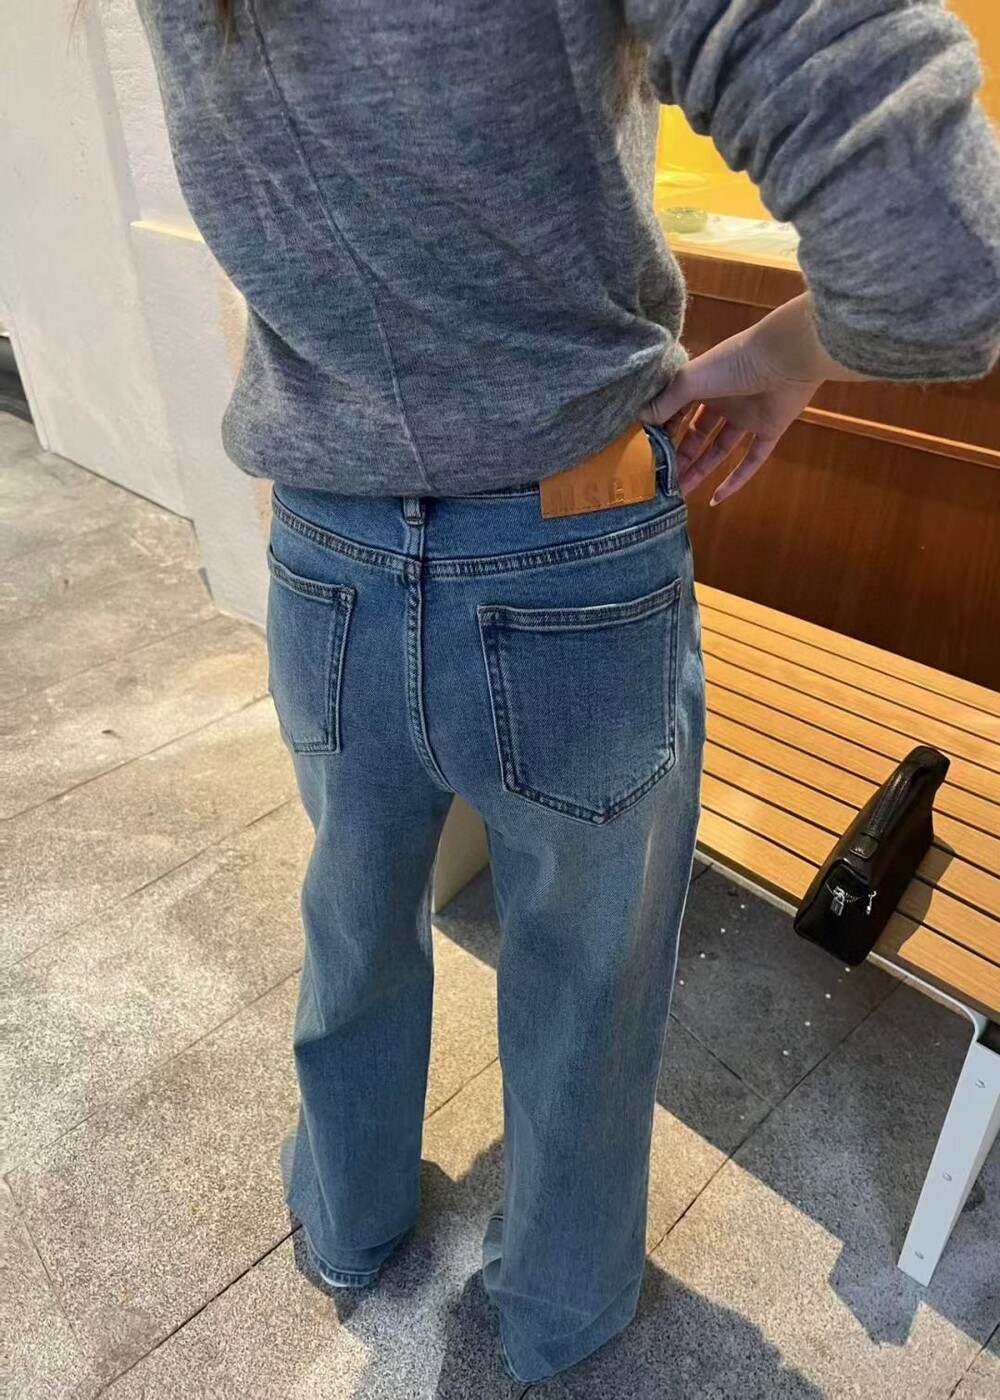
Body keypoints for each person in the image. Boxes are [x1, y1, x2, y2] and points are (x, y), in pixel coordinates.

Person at [136, 0, 1000, 1384]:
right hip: (570, 547)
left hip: (325, 544)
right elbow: (947, 264)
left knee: (353, 912)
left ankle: (346, 1222)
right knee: (586, 972)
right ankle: (560, 1308)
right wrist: (777, 361)